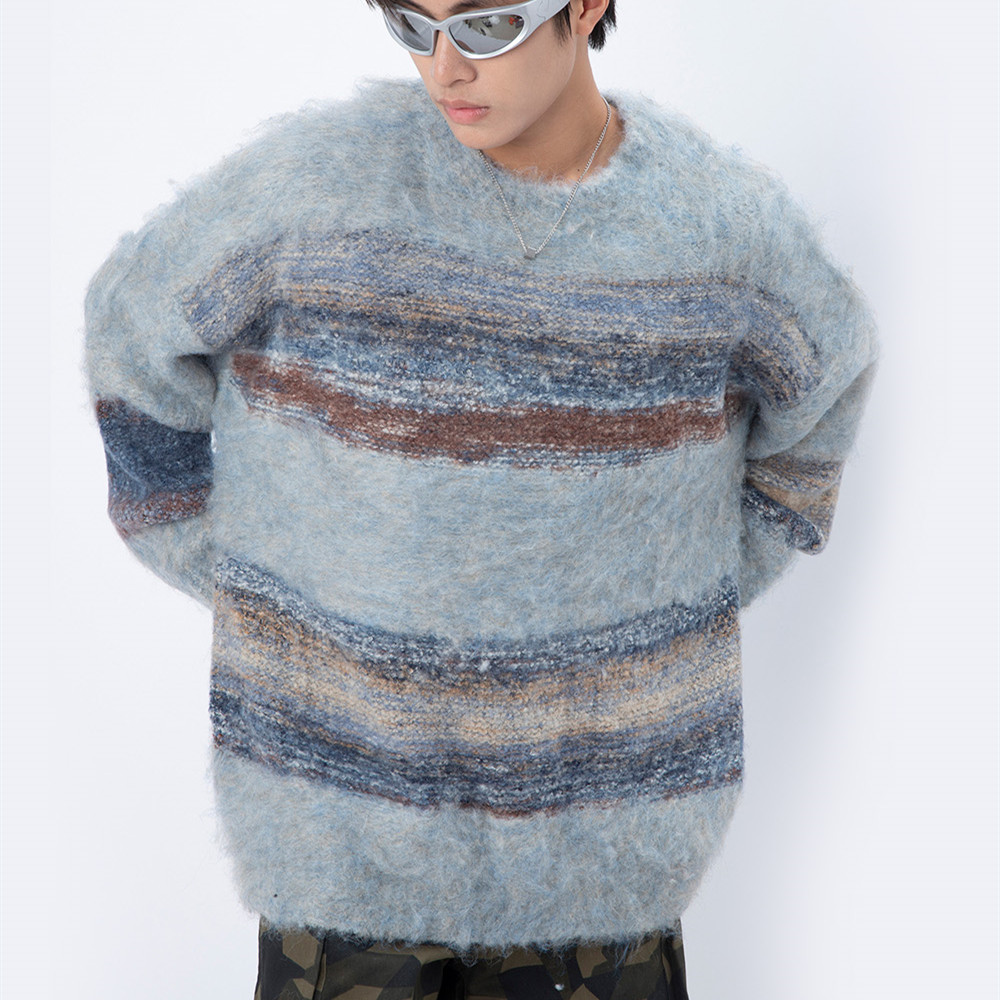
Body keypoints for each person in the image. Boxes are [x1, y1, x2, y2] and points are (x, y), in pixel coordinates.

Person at [84, 0, 878, 996]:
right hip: (342, 860)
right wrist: (248, 573)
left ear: (584, 6)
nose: (445, 67)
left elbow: (822, 393)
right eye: (411, 24)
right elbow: (132, 330)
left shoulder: (722, 233)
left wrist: (691, 590)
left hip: (605, 878)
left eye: (485, 24)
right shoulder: (311, 193)